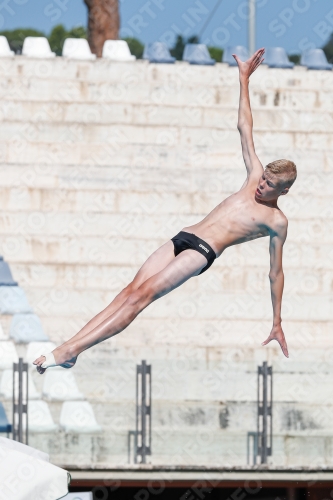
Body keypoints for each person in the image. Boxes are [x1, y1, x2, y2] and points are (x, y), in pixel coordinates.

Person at [34, 48, 296, 374]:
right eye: (264, 179)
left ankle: (68, 350)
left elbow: (276, 273)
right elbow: (244, 126)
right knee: (128, 292)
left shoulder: (276, 222)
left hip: (201, 252)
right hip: (184, 237)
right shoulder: (254, 175)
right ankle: (72, 348)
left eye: (270, 185)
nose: (261, 186)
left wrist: (277, 320)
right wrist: (243, 78)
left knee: (141, 298)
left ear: (284, 191)